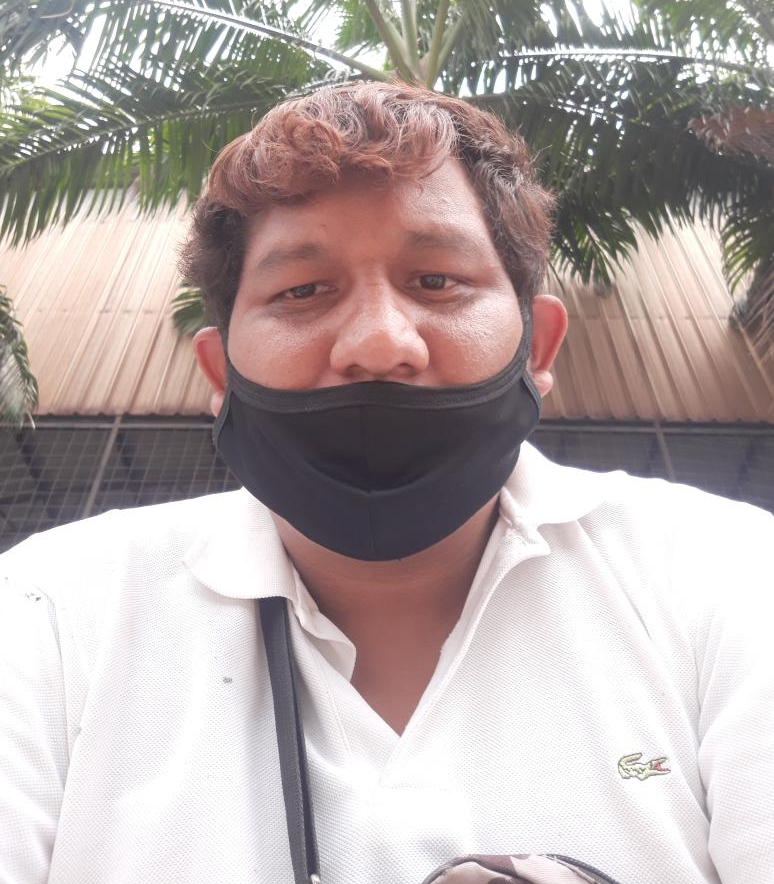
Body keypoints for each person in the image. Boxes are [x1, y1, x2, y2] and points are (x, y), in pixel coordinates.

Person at [1, 82, 772, 884]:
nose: (377, 343)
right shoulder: (49, 614)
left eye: (437, 281)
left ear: (538, 346)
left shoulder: (730, 573)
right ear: (221, 373)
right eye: (302, 291)